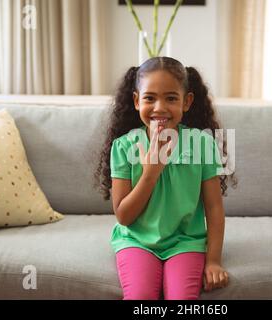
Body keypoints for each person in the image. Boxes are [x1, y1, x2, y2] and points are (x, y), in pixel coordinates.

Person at [95, 56, 236, 300]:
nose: (160, 107)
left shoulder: (202, 144)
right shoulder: (124, 147)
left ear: (186, 102)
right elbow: (124, 216)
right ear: (137, 101)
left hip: (185, 243)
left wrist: (213, 261)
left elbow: (214, 208)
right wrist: (150, 173)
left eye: (171, 98)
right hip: (136, 242)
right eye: (150, 98)